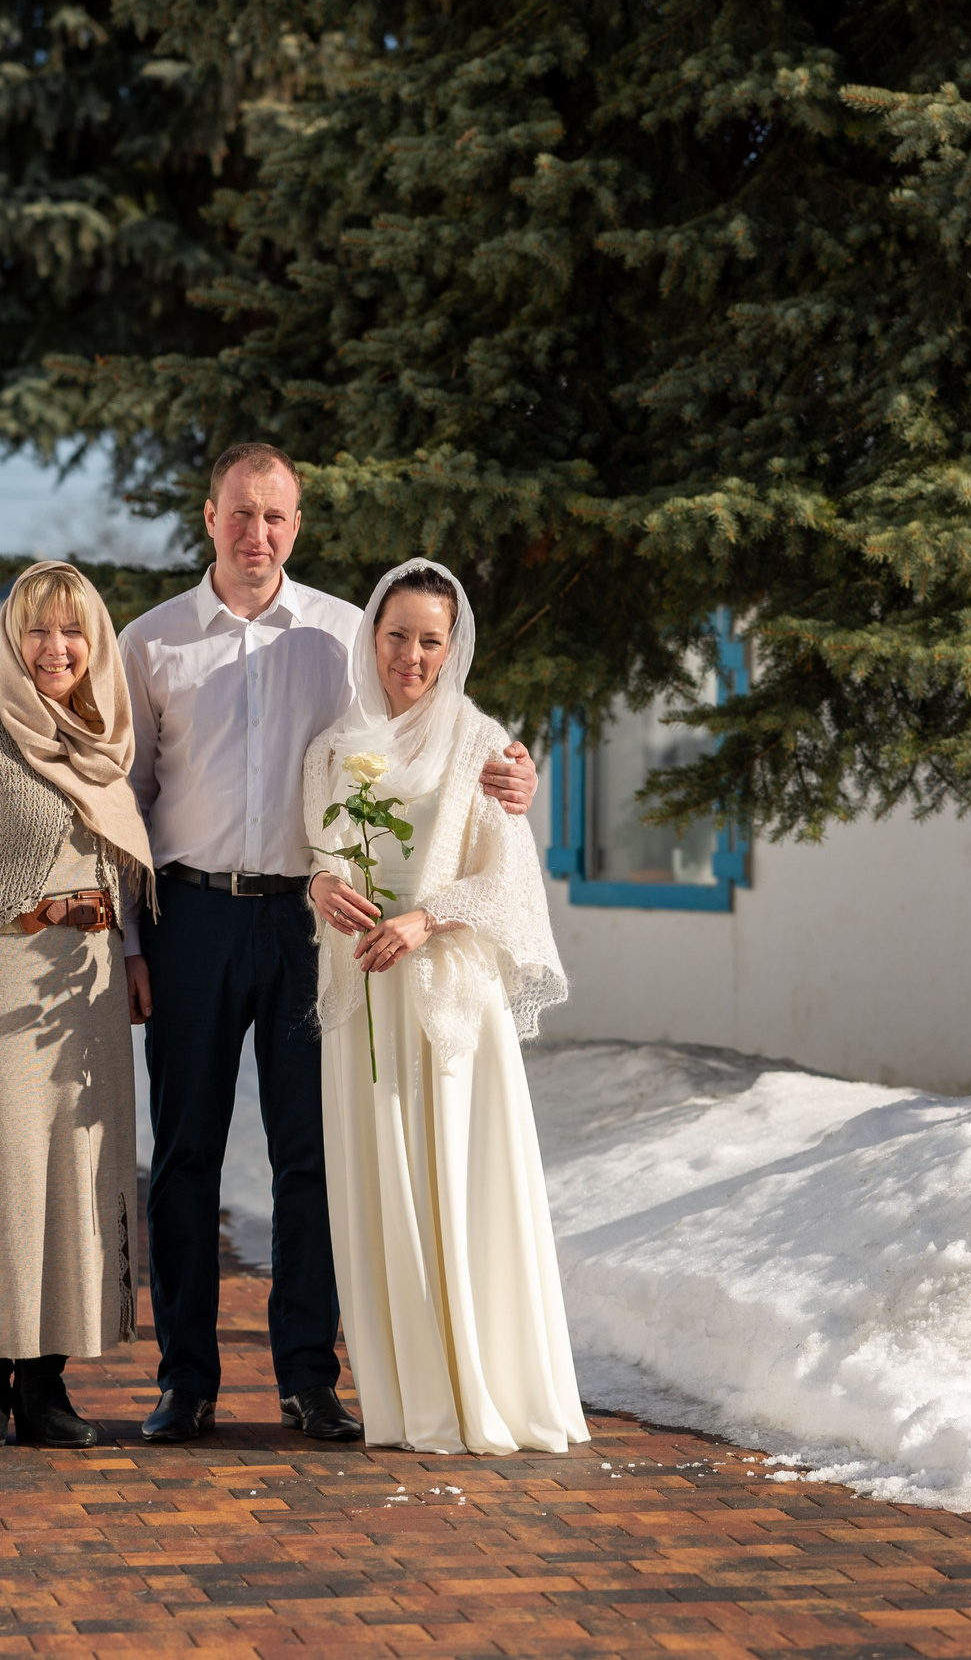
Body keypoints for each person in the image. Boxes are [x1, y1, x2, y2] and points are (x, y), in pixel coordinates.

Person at [119, 443, 538, 1444]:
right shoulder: (151, 642)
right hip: (190, 918)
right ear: (209, 515)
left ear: (296, 525)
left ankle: (309, 1377)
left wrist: (515, 771)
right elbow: (126, 798)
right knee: (184, 1153)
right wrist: (132, 942)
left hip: (313, 926)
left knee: (311, 1153)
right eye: (240, 511)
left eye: (276, 515)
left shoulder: (346, 633)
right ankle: (186, 1380)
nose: (256, 532)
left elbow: (432, 731)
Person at [303, 558, 586, 1454]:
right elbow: (318, 853)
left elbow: (509, 881)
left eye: (431, 640)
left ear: (453, 646)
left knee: (457, 1185)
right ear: (372, 636)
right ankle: (410, 1398)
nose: (412, 656)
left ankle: (481, 1388)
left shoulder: (483, 745)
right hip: (365, 1000)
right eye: (398, 635)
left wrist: (425, 918)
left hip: (449, 1002)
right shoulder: (332, 748)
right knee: (380, 1187)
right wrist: (323, 887)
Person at [0, 561, 155, 1449]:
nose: (57, 647)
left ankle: (46, 1384)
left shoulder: (105, 741)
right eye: (39, 629)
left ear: (95, 642)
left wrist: (131, 954)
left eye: (73, 630)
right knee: (2, 1175)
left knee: (77, 1175)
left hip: (88, 980)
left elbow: (121, 866)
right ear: (14, 639)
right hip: (1, 975)